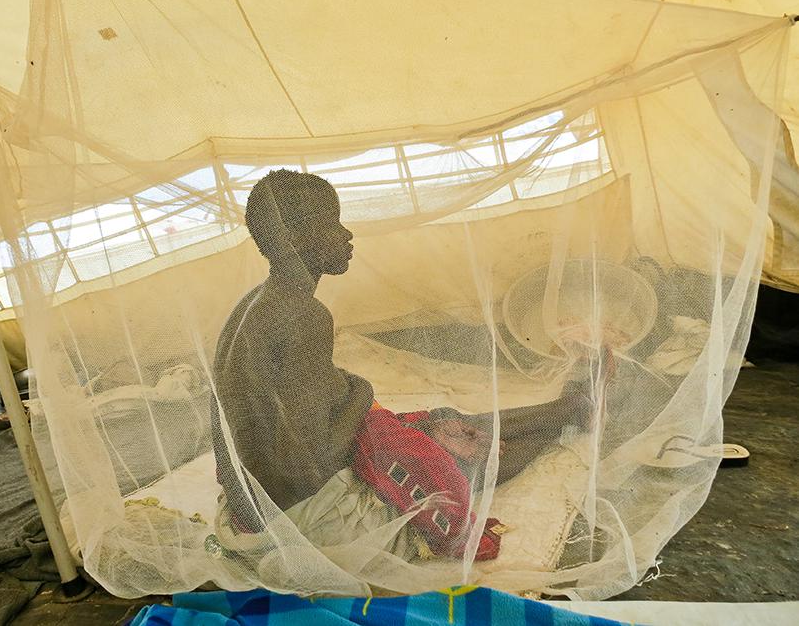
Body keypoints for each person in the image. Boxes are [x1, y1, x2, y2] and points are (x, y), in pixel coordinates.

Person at [210, 169, 591, 555]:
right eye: (332, 224)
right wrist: (363, 397)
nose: (346, 234)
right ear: (295, 240)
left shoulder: (251, 305)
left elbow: (288, 407)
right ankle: (563, 421)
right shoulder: (303, 315)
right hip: (305, 519)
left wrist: (387, 418)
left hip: (248, 509)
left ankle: (569, 409)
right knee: (446, 465)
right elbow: (307, 471)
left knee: (437, 427)